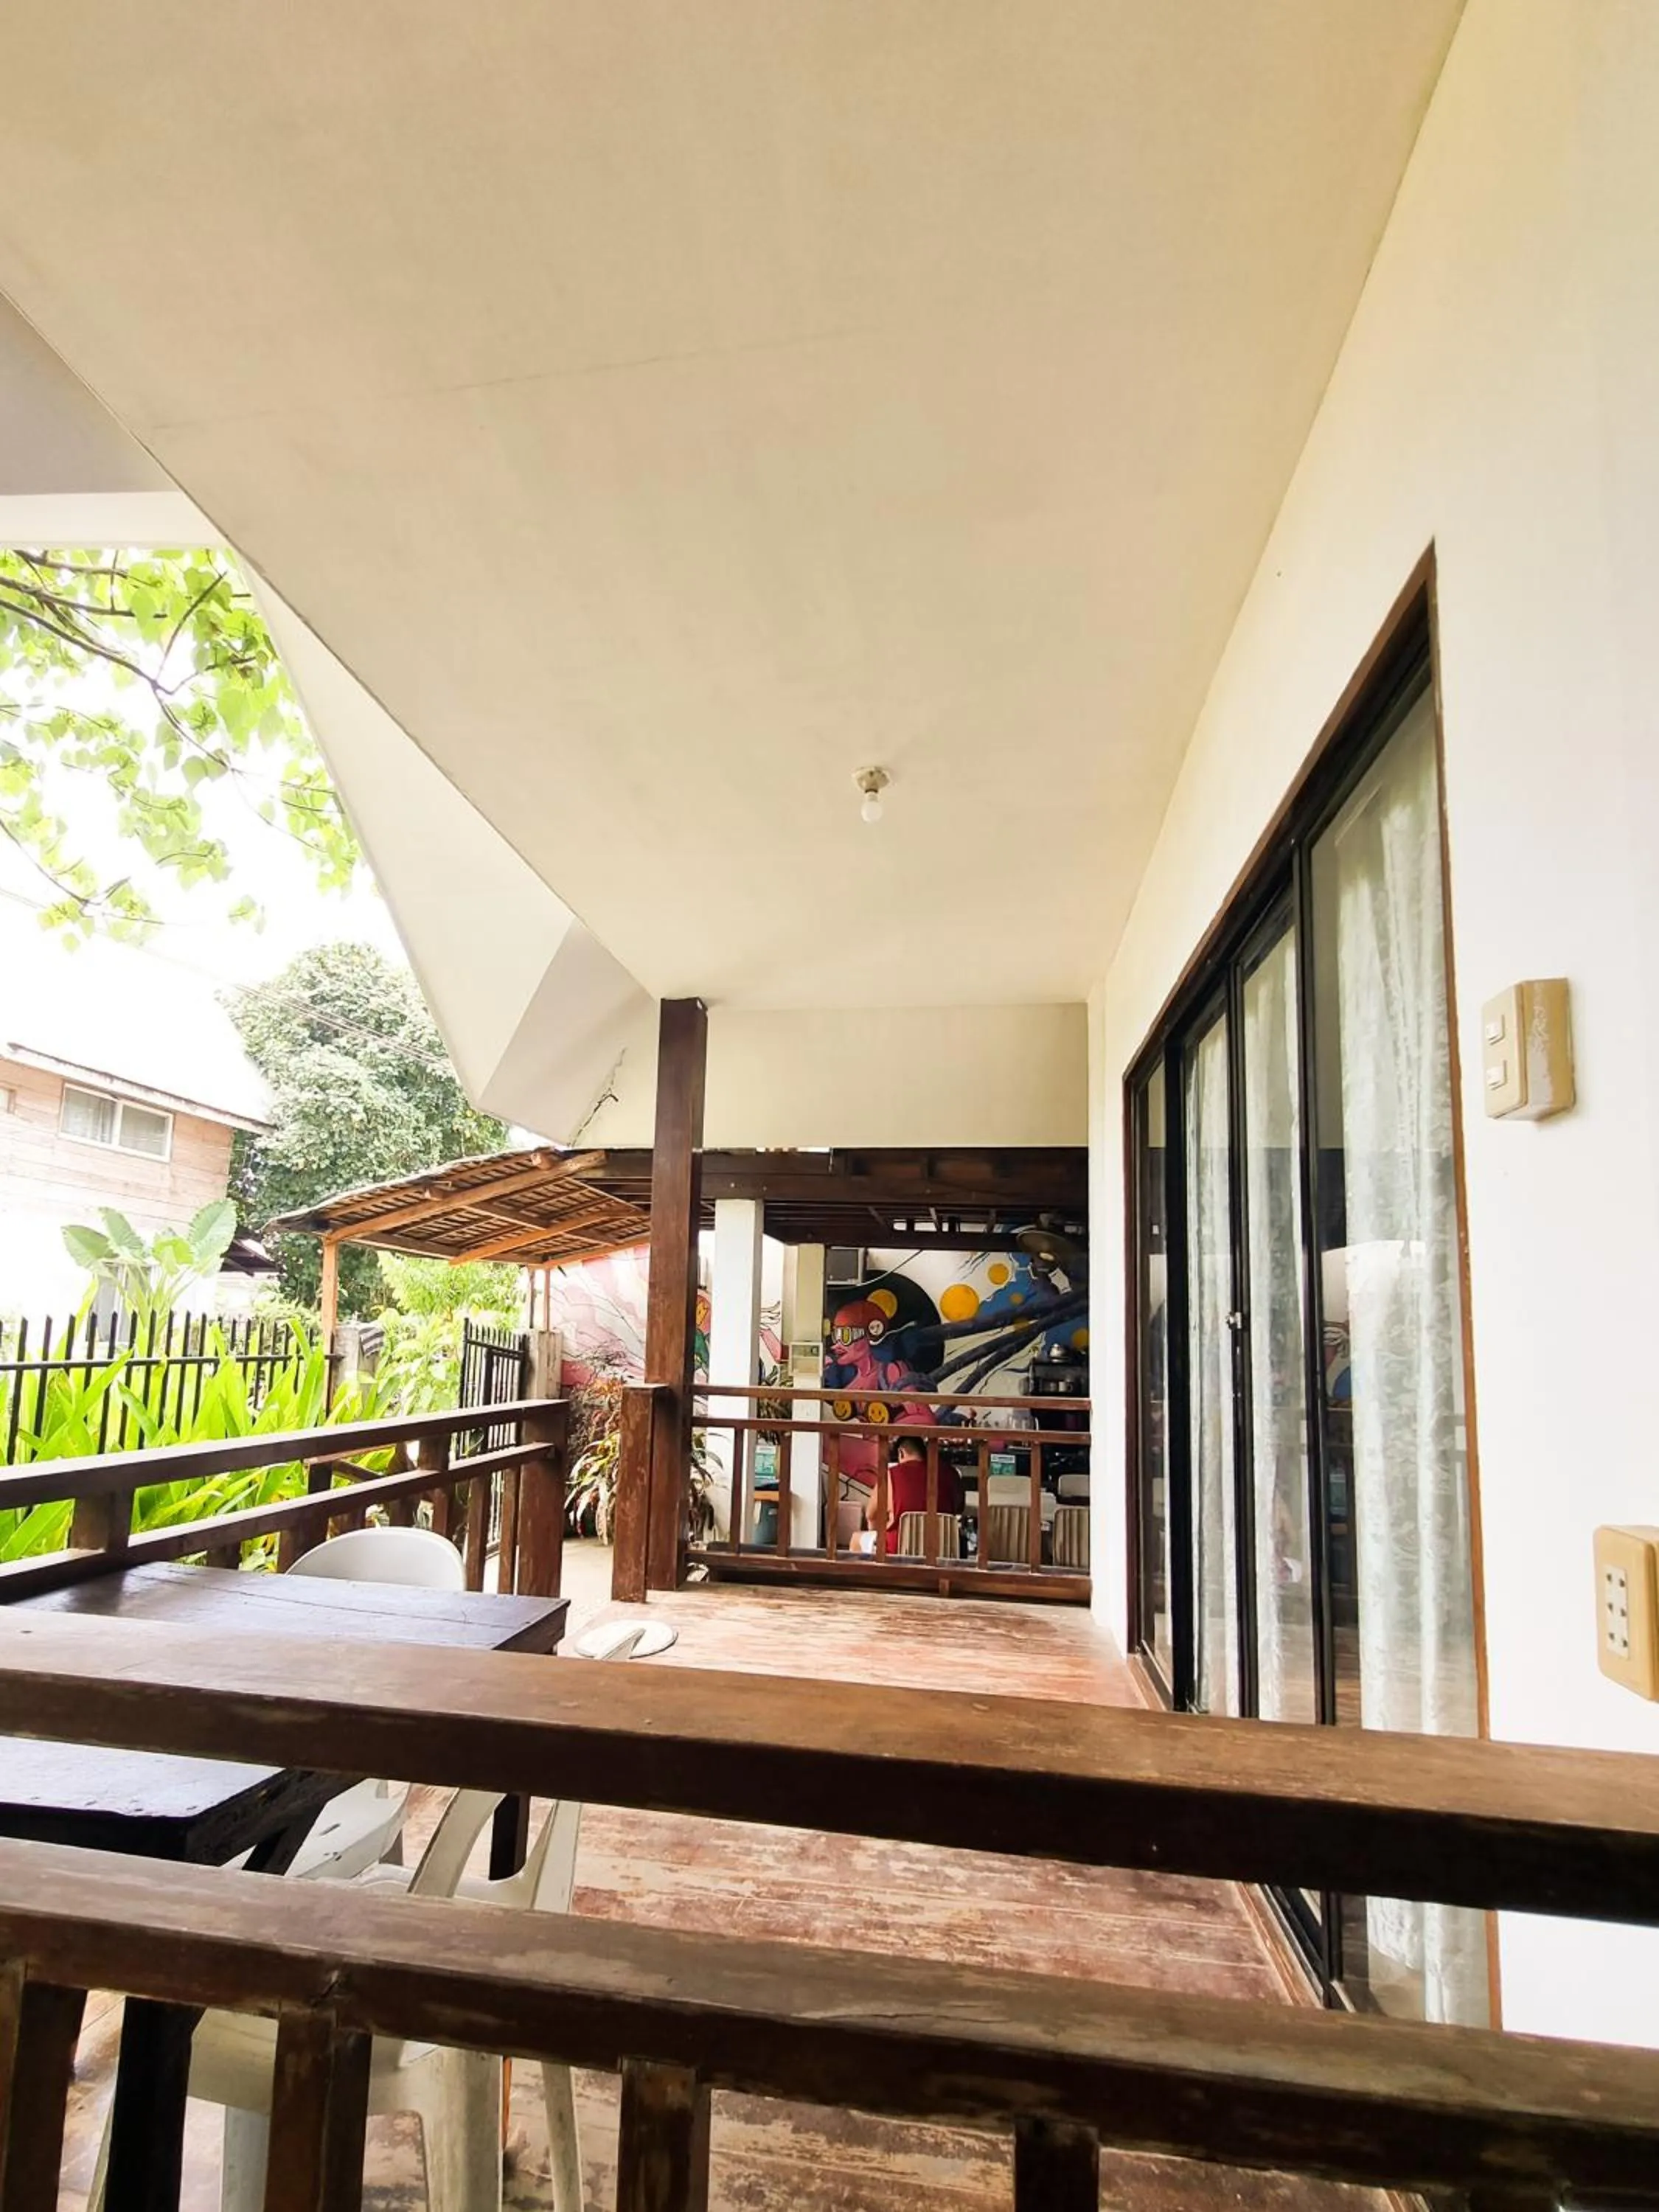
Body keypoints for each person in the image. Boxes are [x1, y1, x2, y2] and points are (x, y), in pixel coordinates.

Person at [869, 1433, 962, 1556]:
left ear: (901, 1453)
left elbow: (871, 1515)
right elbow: (959, 1508)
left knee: (856, 1539)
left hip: (898, 1551)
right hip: (943, 1551)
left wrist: (879, 1534)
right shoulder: (952, 1473)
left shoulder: (891, 1475)